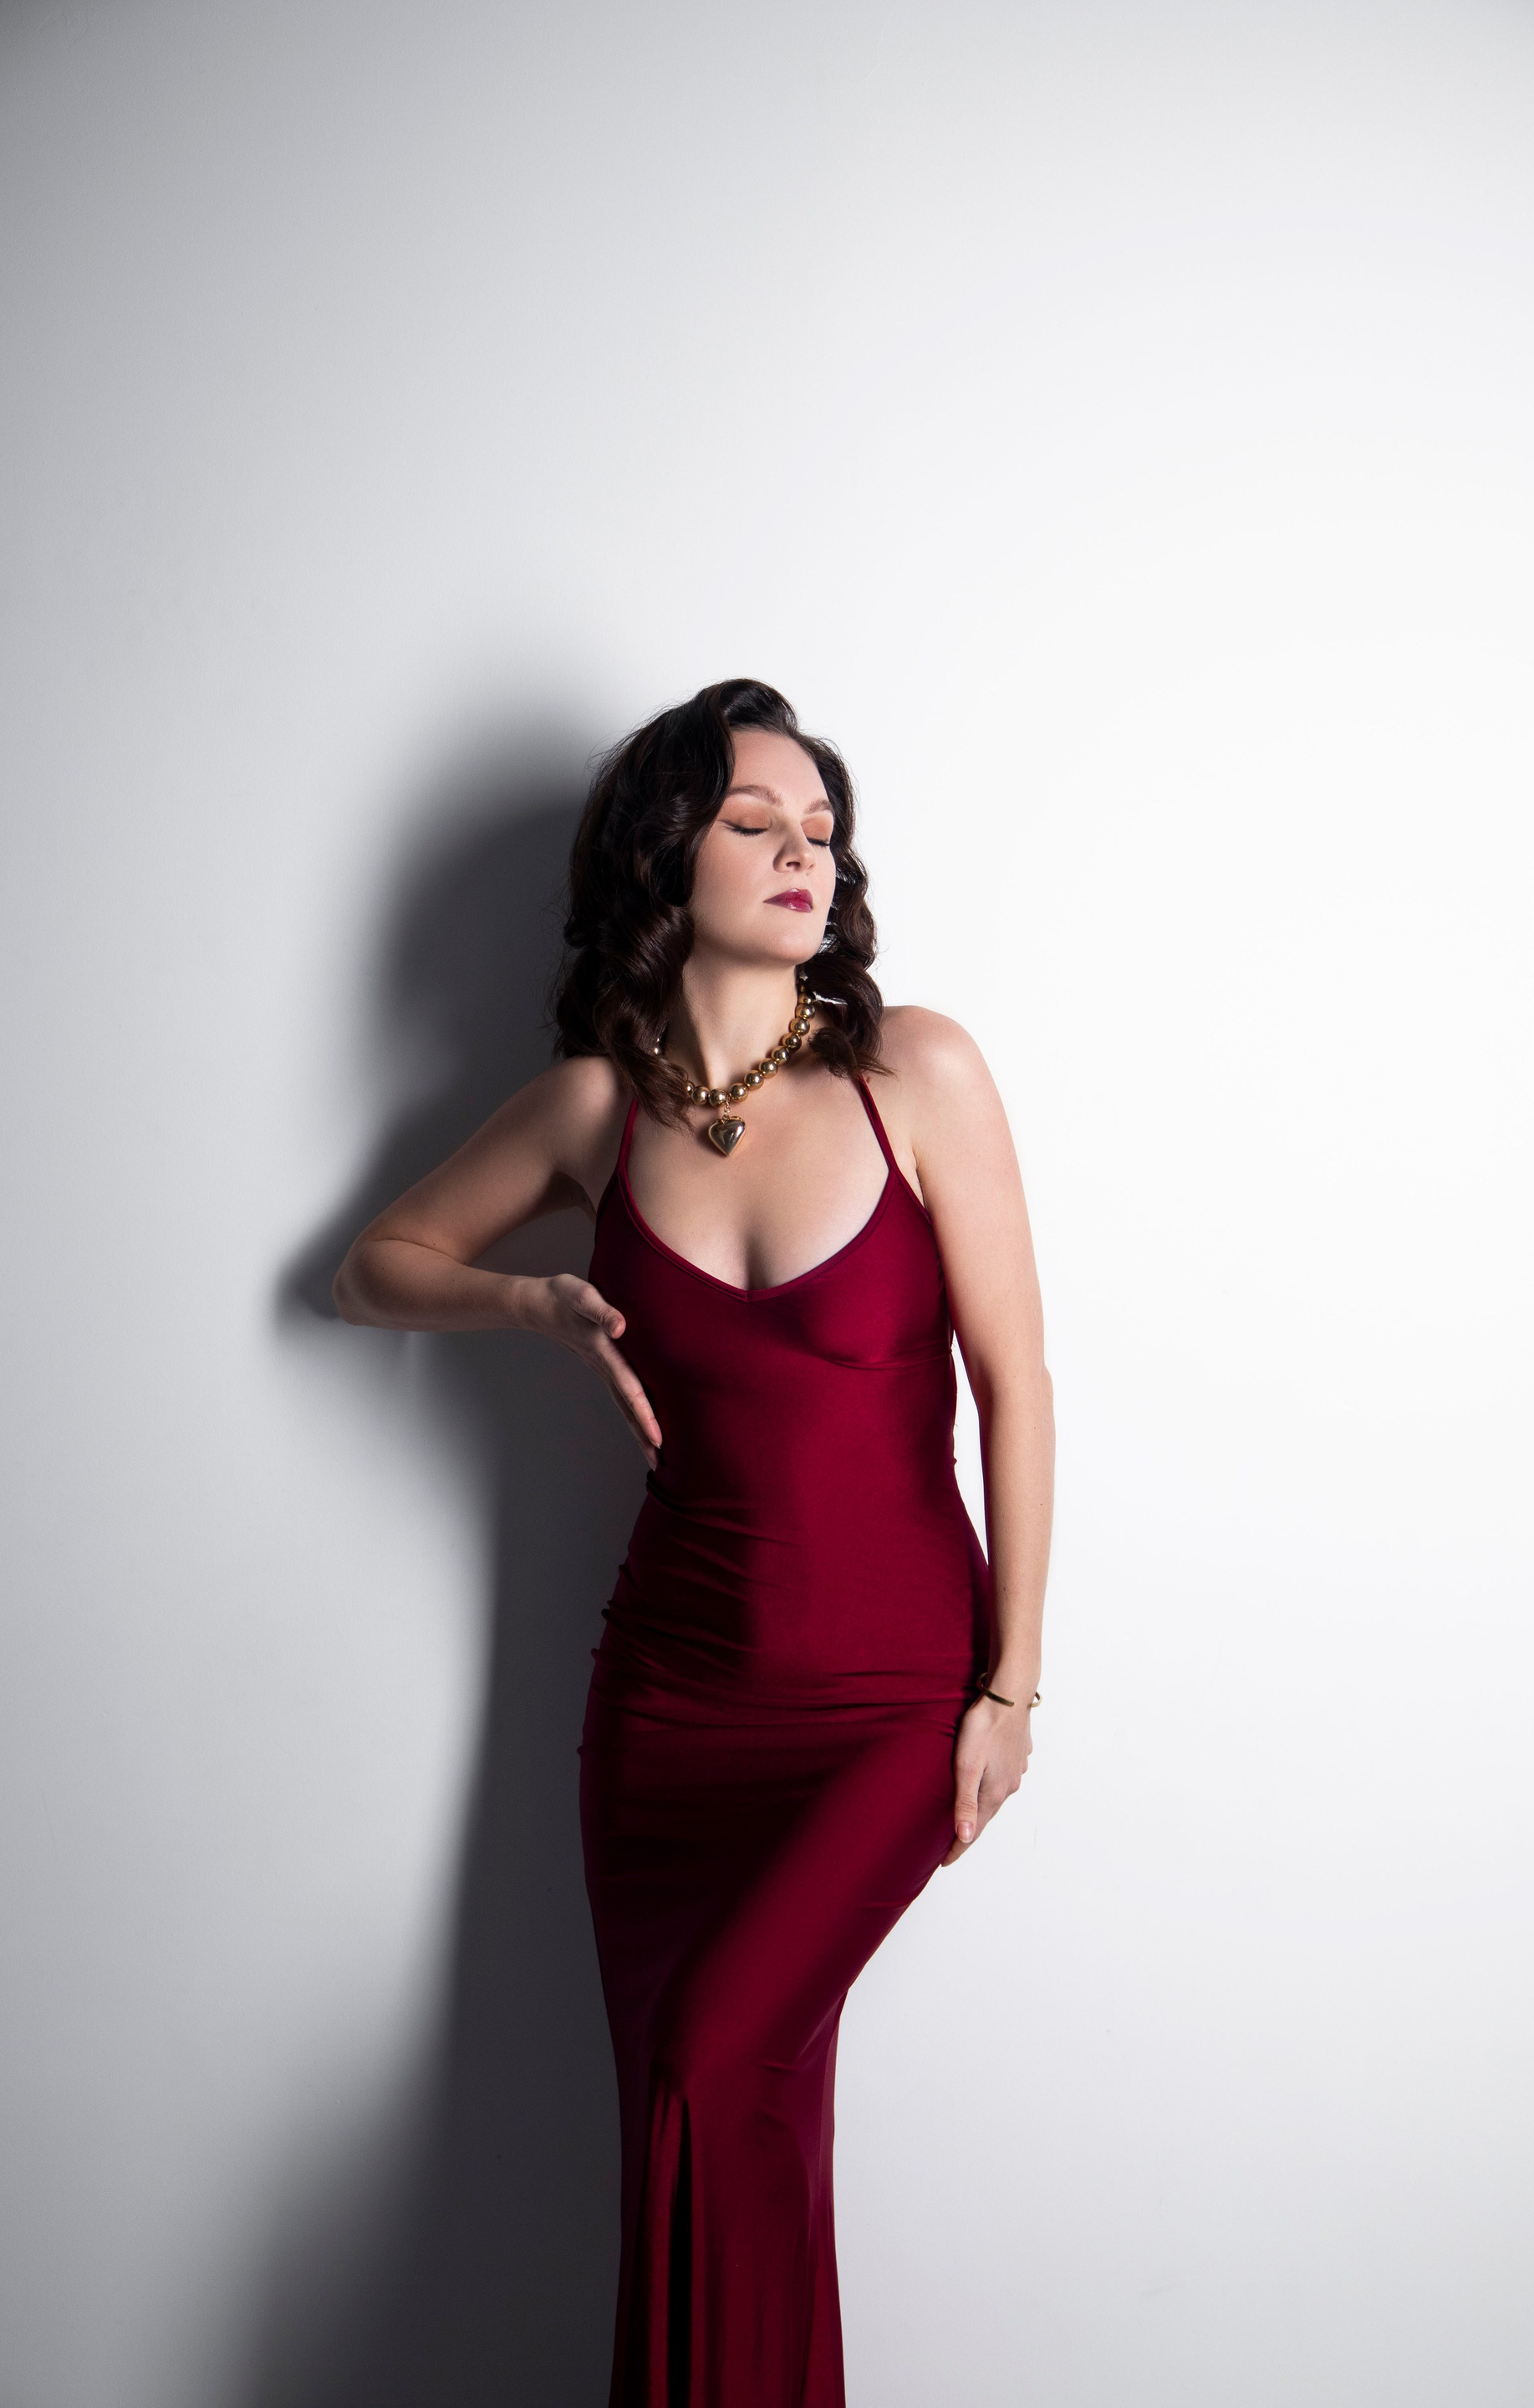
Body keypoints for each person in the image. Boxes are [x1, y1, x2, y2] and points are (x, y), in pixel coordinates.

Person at [334, 678, 1053, 2407]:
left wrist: (1012, 1691)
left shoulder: (914, 1072)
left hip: (890, 1704)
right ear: (670, 852)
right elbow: (373, 1266)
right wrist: (537, 1306)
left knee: (710, 2070)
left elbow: (1018, 1386)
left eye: (824, 830)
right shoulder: (595, 1112)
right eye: (757, 822)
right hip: (666, 1716)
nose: (807, 855)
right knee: (733, 2122)